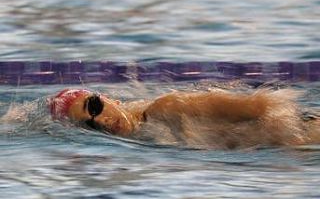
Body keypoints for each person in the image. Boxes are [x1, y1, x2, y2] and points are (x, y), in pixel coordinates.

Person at [49, 88, 320, 149]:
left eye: (94, 106)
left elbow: (264, 105)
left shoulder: (167, 107)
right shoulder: (146, 130)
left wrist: (291, 146)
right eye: (89, 124)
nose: (100, 120)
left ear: (109, 98)